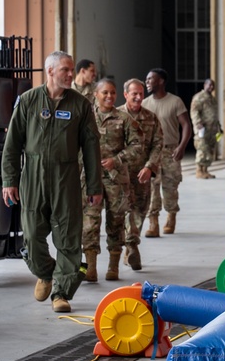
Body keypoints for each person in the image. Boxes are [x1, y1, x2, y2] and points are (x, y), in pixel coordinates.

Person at [1, 50, 102, 314]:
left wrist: (94, 186)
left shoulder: (80, 105)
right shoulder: (28, 101)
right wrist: (9, 180)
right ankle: (45, 273)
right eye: (65, 70)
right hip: (33, 175)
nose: (71, 75)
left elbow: (91, 148)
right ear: (50, 71)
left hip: (66, 176)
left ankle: (61, 292)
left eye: (71, 70)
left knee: (68, 238)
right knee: (32, 234)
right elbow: (12, 145)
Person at [82, 79, 141, 282]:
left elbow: (137, 146)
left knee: (116, 222)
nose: (109, 96)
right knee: (89, 222)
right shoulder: (86, 118)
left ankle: (113, 266)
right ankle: (90, 267)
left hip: (116, 180)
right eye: (105, 92)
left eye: (113, 93)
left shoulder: (124, 119)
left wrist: (116, 160)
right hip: (90, 180)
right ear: (96, 95)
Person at [118, 77, 163, 271]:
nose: (138, 97)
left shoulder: (151, 118)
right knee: (121, 212)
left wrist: (150, 167)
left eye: (141, 94)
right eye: (134, 93)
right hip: (119, 175)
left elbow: (158, 144)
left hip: (141, 173)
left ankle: (131, 245)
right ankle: (128, 245)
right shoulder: (115, 115)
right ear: (126, 94)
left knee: (139, 210)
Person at [142, 68, 192, 236]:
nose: (147, 82)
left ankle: (171, 216)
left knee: (170, 186)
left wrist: (182, 146)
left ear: (161, 81)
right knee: (151, 187)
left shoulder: (175, 101)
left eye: (151, 79)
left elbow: (186, 124)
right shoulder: (145, 104)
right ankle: (153, 222)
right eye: (147, 79)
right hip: (152, 152)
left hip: (171, 149)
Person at [189, 78, 221, 178]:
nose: (211, 87)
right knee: (202, 149)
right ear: (205, 85)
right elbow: (194, 111)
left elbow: (214, 114)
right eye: (209, 85)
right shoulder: (199, 97)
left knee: (210, 150)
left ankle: (205, 170)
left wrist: (219, 127)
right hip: (202, 129)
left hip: (212, 130)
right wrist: (197, 122)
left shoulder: (213, 99)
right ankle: (199, 171)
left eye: (213, 85)